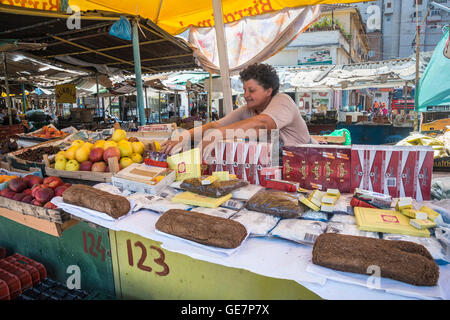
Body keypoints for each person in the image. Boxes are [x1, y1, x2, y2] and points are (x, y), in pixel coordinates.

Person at [161, 63, 315, 155]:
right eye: (244, 90)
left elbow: (263, 123)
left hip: (306, 161)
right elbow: (216, 124)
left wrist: (218, 135)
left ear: (269, 90)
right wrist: (184, 136)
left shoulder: (283, 101)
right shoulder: (247, 110)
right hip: (274, 164)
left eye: (252, 90)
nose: (246, 95)